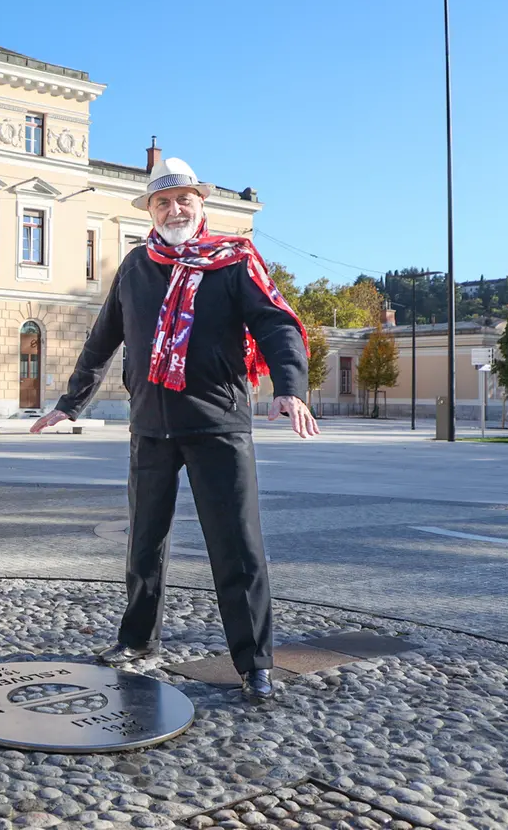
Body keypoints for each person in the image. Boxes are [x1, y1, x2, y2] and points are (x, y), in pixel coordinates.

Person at [31, 156, 317, 702]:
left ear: (201, 203)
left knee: (237, 546)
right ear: (151, 210)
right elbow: (101, 341)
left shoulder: (234, 260)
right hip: (151, 426)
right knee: (144, 543)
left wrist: (290, 386)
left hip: (218, 424)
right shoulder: (137, 266)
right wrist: (71, 404)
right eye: (163, 201)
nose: (174, 208)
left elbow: (277, 323)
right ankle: (140, 643)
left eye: (184, 198)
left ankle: (254, 662)